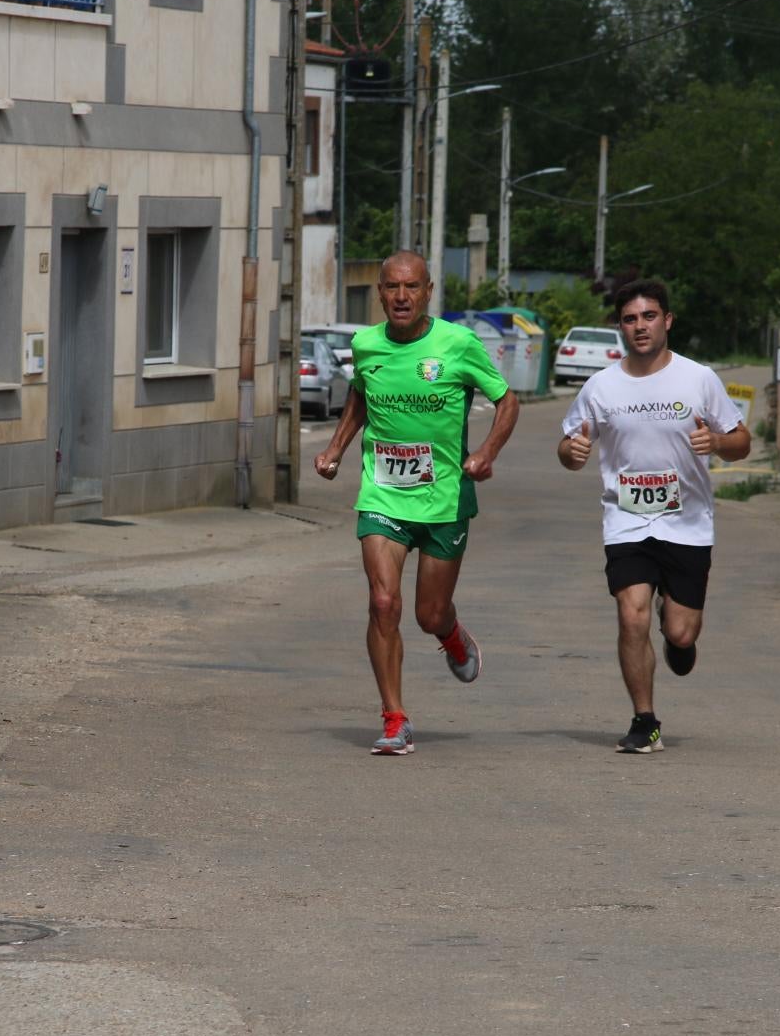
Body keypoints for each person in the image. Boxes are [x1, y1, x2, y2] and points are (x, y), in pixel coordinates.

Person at [314, 252, 520, 755]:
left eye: (411, 288)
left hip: (445, 498)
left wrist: (487, 453)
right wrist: (336, 448)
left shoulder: (458, 344)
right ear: (380, 293)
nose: (400, 297)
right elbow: (361, 395)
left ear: (429, 292)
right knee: (383, 603)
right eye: (390, 287)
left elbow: (507, 400)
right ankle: (394, 718)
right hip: (383, 492)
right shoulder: (365, 345)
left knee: (429, 613)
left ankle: (450, 634)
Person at [557, 279, 750, 753]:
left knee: (681, 633)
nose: (639, 326)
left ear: (667, 321)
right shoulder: (601, 386)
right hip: (627, 521)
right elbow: (567, 444)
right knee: (631, 615)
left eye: (648, 316)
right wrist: (573, 451)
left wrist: (719, 444)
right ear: (619, 326)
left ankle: (677, 635)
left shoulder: (698, 378)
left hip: (688, 523)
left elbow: (741, 440)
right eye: (629, 318)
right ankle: (645, 720)